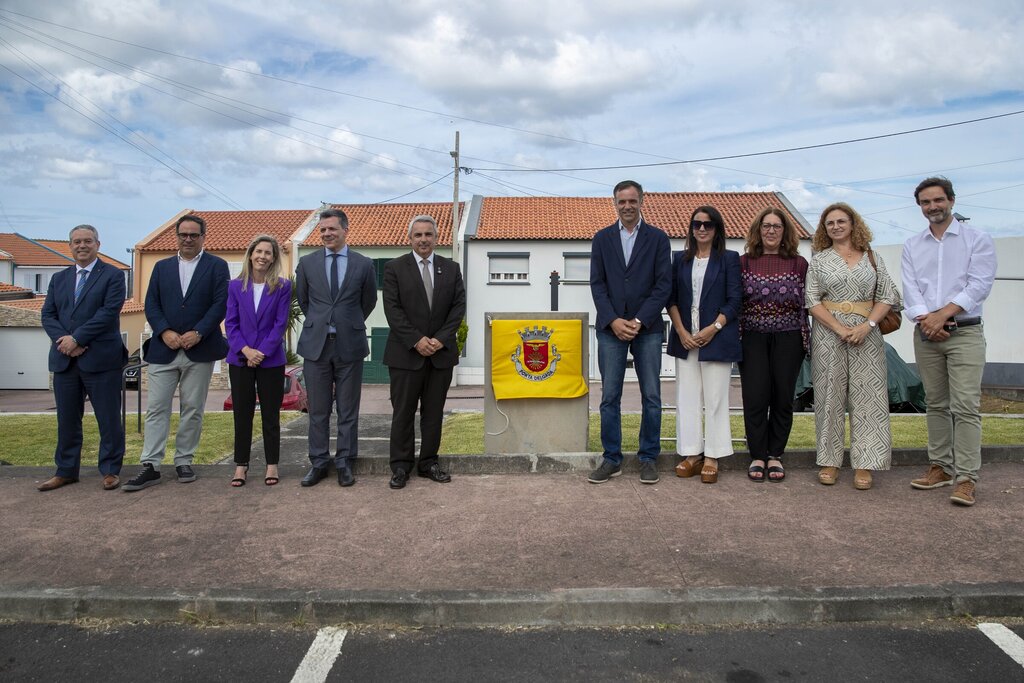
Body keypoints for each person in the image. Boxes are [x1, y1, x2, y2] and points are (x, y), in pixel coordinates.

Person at [903, 177, 996, 507]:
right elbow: (911, 290)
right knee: (936, 403)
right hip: (926, 334)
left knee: (965, 406)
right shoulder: (913, 245)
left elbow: (979, 285)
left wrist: (941, 316)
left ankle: (967, 477)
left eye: (938, 200)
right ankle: (940, 468)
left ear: (951, 201)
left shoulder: (977, 239)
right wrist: (927, 321)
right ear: (920, 207)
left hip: (965, 332)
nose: (933, 207)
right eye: (926, 202)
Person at [123, 214, 229, 492]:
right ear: (177, 236)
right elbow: (152, 303)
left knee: (192, 409)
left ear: (203, 237)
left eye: (194, 235)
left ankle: (184, 460)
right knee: (157, 408)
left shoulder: (217, 267)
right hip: (164, 349)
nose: (188, 239)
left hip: (200, 348)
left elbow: (220, 303)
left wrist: (199, 332)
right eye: (183, 234)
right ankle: (151, 465)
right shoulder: (161, 267)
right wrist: (164, 331)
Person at [805, 203, 901, 490]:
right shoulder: (819, 260)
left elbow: (887, 296)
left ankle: (865, 463)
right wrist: (839, 328)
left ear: (853, 223)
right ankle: (829, 461)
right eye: (829, 223)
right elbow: (812, 300)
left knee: (868, 399)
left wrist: (866, 326)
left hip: (867, 335)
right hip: (828, 334)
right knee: (828, 397)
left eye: (841, 221)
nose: (835, 226)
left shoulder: (872, 257)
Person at [588, 180, 672, 485]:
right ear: (614, 203)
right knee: (610, 396)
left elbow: (664, 285)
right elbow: (597, 283)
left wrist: (638, 320)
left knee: (652, 395)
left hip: (647, 328)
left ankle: (648, 457)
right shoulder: (601, 239)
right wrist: (613, 320)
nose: (627, 206)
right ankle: (612, 458)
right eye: (621, 201)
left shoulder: (659, 239)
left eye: (632, 201)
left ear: (641, 202)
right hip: (610, 329)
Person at [38, 225, 128, 491]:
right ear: (70, 246)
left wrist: (77, 339)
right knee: (66, 419)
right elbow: (48, 315)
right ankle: (66, 471)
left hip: (101, 360)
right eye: (76, 242)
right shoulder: (59, 279)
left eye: (87, 241)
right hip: (65, 360)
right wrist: (65, 342)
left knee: (109, 419)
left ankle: (111, 470)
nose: (82, 246)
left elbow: (108, 312)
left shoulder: (113, 276)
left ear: (98, 244)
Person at [382, 215, 467, 489]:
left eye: (428, 235)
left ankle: (429, 462)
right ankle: (400, 467)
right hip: (406, 355)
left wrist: (440, 340)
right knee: (403, 412)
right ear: (410, 239)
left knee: (434, 413)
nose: (423, 239)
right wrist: (417, 340)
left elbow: (458, 308)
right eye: (418, 235)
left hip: (440, 356)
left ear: (436, 238)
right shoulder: (395, 268)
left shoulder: (451, 269)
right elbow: (392, 310)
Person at [295, 208, 377, 488]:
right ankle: (318, 463)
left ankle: (344, 462)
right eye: (322, 230)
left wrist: (346, 322)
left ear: (345, 230)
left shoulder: (364, 264)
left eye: (332, 229)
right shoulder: (307, 264)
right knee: (317, 410)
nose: (327, 234)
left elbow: (367, 304)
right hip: (316, 346)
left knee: (347, 409)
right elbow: (305, 303)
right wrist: (323, 323)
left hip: (349, 345)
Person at [666, 206, 742, 484]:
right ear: (691, 228)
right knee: (687, 398)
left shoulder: (730, 259)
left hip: (717, 339)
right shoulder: (680, 260)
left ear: (717, 229)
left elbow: (735, 301)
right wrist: (682, 331)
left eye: (708, 225)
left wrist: (713, 329)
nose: (701, 229)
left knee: (715, 399)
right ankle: (691, 454)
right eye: (697, 224)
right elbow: (670, 298)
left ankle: (713, 455)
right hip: (685, 339)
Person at [738, 208, 810, 482]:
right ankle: (757, 454)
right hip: (752, 337)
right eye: (766, 226)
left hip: (789, 337)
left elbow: (809, 301)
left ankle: (775, 455)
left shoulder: (799, 264)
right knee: (755, 396)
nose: (770, 231)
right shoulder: (743, 262)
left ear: (785, 231)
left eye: (776, 226)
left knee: (782, 397)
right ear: (758, 230)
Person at [224, 235, 292, 487]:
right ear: (250, 254)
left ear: (274, 258)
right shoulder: (234, 286)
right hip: (240, 359)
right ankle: (241, 466)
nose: (263, 256)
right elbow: (230, 323)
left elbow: (280, 324)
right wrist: (246, 351)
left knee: (270, 415)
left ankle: (271, 464)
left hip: (271, 360)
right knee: (242, 414)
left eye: (268, 253)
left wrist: (260, 352)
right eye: (259, 251)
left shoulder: (283, 287)